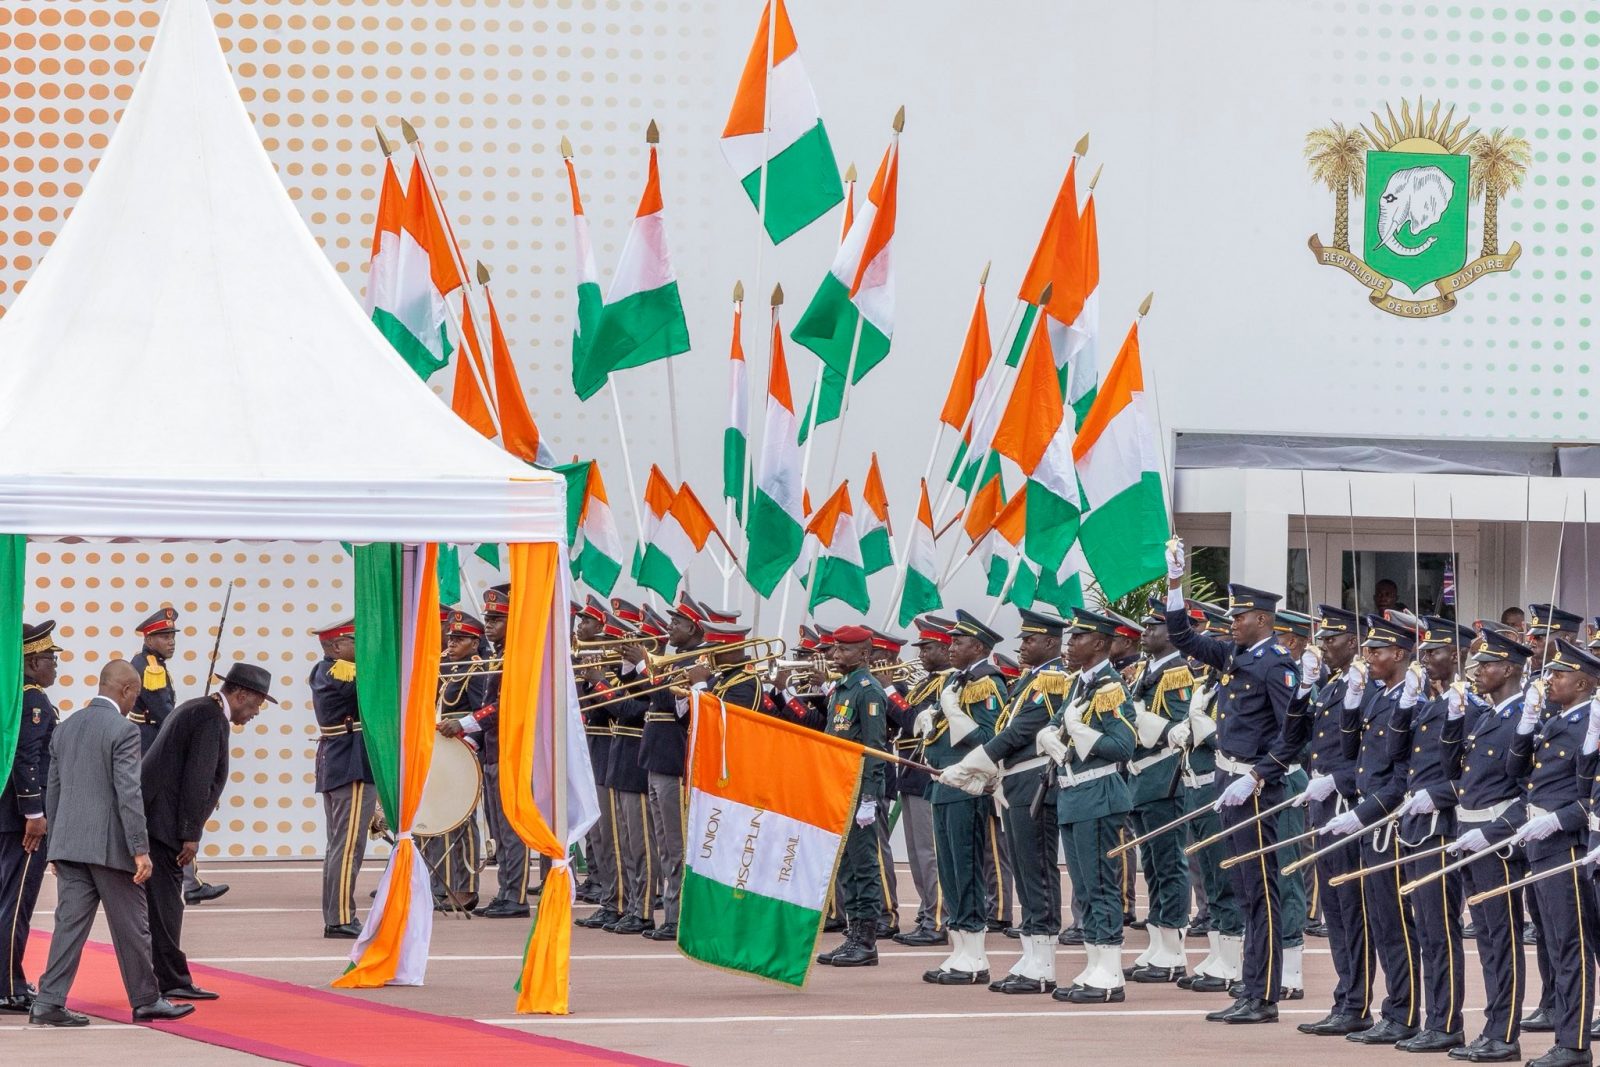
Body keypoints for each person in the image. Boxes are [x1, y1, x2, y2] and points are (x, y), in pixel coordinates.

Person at [1164, 538, 1310, 1026]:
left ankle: (1263, 995)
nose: (1232, 622)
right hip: (1229, 781)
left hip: (1255, 788)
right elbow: (1183, 637)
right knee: (1245, 889)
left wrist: (1258, 775)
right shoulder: (1236, 655)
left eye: (1240, 616)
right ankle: (1250, 988)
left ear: (1262, 619)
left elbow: (1294, 734)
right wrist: (1175, 582)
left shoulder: (1275, 664)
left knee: (1261, 891)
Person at [29, 660, 192, 1027]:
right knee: (134, 927)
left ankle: (48, 1001)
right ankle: (146, 999)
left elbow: (53, 790)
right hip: (110, 848)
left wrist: (56, 846)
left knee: (68, 927)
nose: (136, 701)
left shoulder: (66, 727)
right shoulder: (124, 730)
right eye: (136, 694)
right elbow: (128, 793)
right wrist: (140, 849)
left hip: (70, 846)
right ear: (127, 690)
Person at [939, 608, 1069, 994]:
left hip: (1035, 781)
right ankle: (1031, 954)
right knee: (1026, 873)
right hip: (1016, 782)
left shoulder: (1051, 680)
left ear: (1051, 643)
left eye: (1030, 639)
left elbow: (1018, 733)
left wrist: (972, 764)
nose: (1022, 645)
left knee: (1037, 872)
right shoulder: (1031, 680)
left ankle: (1043, 962)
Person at [141, 662, 275, 1002]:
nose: (256, 712)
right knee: (167, 907)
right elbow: (197, 779)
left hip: (156, 819)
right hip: (164, 825)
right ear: (240, 694)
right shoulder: (210, 717)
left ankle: (163, 977)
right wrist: (190, 834)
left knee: (161, 905)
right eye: (257, 703)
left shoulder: (201, 709)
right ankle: (171, 980)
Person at [1319, 612, 1423, 1046]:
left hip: (1388, 822)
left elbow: (1402, 774)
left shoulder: (1412, 700)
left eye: (1376, 650)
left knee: (1396, 923)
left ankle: (1404, 1013)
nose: (1368, 656)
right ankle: (1390, 1009)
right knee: (1380, 922)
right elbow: (1353, 751)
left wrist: (1365, 814)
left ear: (1399, 654)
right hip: (1369, 816)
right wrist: (1350, 702)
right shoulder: (1380, 696)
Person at [1507, 640, 1600, 1067]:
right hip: (1542, 845)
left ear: (1582, 683)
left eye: (1559, 675)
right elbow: (1516, 773)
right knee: (1556, 945)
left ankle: (1574, 1044)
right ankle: (1566, 1036)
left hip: (1566, 845)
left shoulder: (1587, 724)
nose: (1549, 681)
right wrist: (1526, 723)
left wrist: (1558, 820)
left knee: (1571, 948)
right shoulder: (1556, 721)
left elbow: (1589, 796)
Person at [1444, 625, 1533, 1064]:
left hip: (1495, 843)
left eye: (1487, 664)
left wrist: (1496, 832)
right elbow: (1455, 772)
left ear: (1510, 669)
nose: (1477, 670)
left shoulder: (1523, 719)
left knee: (1503, 939)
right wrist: (1454, 719)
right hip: (1470, 835)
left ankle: (1505, 1034)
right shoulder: (1486, 715)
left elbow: (1530, 793)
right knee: (1488, 941)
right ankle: (1493, 1027)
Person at [1038, 608, 1137, 1004]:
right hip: (1074, 795)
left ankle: (1110, 971)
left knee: (1100, 884)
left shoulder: (1110, 687)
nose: (1070, 643)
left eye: (1078, 637)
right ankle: (1095, 963)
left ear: (1098, 643)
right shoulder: (1081, 684)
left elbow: (1123, 746)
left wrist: (1079, 730)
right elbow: (1060, 727)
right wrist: (1051, 734)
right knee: (1084, 886)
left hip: (1098, 794)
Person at [1387, 616, 1475, 1053]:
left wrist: (1437, 795)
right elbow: (1394, 753)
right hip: (1416, 827)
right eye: (1422, 652)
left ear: (1455, 656)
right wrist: (1405, 704)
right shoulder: (1427, 704)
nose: (1424, 659)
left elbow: (1477, 777)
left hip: (1442, 827)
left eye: (1433, 652)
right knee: (1425, 929)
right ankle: (1433, 1018)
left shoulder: (1468, 706)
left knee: (1440, 930)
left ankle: (1446, 1022)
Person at [1295, 605, 1377, 1038]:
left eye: (1332, 639)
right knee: (1334, 909)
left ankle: (1356, 1001)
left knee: (1351, 908)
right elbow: (1300, 735)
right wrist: (1303, 687)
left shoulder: (1363, 685)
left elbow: (1371, 753)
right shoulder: (1331, 684)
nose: (1324, 645)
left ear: (1354, 642)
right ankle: (1346, 997)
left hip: (1348, 803)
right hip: (1324, 803)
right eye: (1323, 639)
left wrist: (1338, 780)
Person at [916, 610, 1005, 985]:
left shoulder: (987, 683)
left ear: (979, 647)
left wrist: (953, 714)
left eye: (959, 642)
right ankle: (961, 948)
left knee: (966, 868)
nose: (951, 647)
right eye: (951, 641)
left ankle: (975, 955)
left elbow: (989, 738)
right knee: (950, 871)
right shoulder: (956, 679)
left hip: (967, 786)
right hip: (943, 783)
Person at [129, 607, 228, 906]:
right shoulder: (151, 668)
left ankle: (189, 880)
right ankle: (188, 881)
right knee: (171, 812)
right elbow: (165, 714)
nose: (171, 641)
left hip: (148, 741)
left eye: (172, 636)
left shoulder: (149, 663)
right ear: (149, 639)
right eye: (164, 636)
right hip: (153, 744)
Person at [1123, 598, 1194, 984]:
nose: (1146, 632)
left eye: (1154, 626)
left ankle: (1173, 948)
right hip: (1143, 777)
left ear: (1173, 633)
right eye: (1146, 626)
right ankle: (1157, 941)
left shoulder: (1177, 671)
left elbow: (1179, 727)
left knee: (1168, 863)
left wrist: (1138, 718)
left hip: (1164, 776)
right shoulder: (1147, 671)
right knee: (1151, 865)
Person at [813, 626, 889, 968]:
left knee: (864, 865)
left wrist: (870, 796)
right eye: (835, 649)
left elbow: (875, 748)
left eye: (843, 650)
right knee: (846, 865)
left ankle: (867, 940)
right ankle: (853, 934)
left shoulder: (868, 691)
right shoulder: (841, 689)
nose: (835, 655)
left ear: (864, 654)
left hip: (860, 790)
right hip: (840, 786)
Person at [0, 622, 64, 1013]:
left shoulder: (12, 696)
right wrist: (34, 813)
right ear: (33, 661)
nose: (55, 666)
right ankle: (9, 987)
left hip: (8, 816)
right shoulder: (33, 700)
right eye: (51, 659)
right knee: (16, 903)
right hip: (23, 821)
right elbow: (27, 759)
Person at [308, 618, 376, 937]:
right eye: (354, 641)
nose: (361, 646)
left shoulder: (324, 670)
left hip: (338, 761)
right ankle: (341, 918)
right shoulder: (342, 672)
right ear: (336, 646)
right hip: (352, 762)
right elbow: (381, 684)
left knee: (339, 845)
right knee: (349, 846)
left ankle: (337, 915)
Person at [890, 616, 954, 947]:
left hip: (927, 771)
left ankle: (938, 918)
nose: (922, 654)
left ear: (945, 648)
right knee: (917, 854)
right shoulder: (926, 683)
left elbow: (914, 722)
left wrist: (888, 689)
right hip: (911, 771)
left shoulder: (948, 683)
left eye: (928, 648)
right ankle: (928, 912)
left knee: (931, 853)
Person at [426, 609, 490, 912]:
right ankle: (440, 883)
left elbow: (482, 715)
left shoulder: (476, 670)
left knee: (462, 822)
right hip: (444, 754)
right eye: (450, 637)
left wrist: (470, 745)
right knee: (441, 818)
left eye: (460, 638)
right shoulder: (446, 668)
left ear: (475, 644)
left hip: (465, 753)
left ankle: (465, 886)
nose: (451, 643)